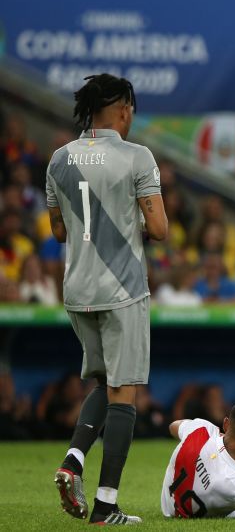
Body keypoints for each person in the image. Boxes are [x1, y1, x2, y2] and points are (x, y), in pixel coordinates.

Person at [48, 73, 168, 524]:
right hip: (123, 288)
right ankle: (105, 507)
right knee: (125, 392)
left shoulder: (59, 159)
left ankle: (73, 459)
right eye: (131, 108)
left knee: (103, 382)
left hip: (78, 290)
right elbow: (158, 230)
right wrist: (124, 228)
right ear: (122, 109)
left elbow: (60, 231)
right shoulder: (136, 157)